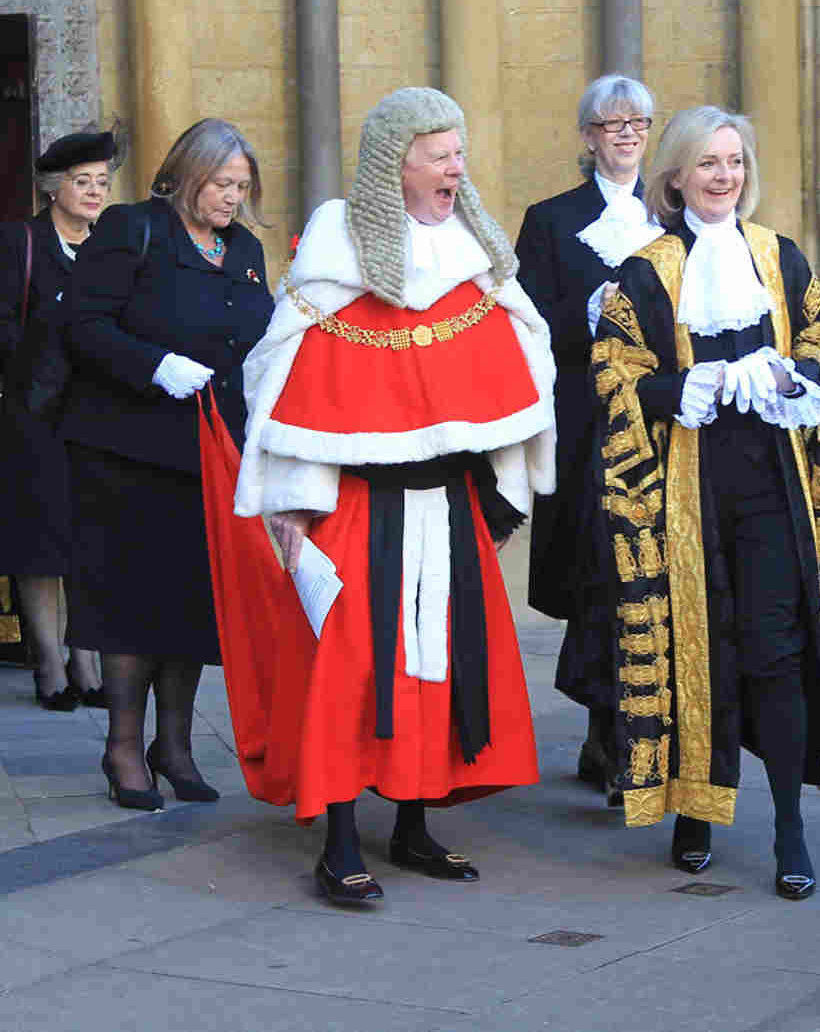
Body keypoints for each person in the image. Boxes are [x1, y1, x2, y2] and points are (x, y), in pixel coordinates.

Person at [231, 87, 554, 906]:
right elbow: (281, 372)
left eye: (459, 152)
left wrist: (502, 485)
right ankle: (339, 843)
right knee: (346, 674)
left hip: (447, 503)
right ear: (395, 162)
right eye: (441, 153)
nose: (457, 167)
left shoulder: (471, 250)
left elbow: (525, 353)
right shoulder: (338, 249)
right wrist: (296, 504)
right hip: (355, 505)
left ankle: (413, 825)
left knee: (437, 671)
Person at [591, 106, 820, 900]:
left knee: (775, 652)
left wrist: (792, 375)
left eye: (735, 161)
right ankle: (695, 812)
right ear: (675, 177)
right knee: (699, 652)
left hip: (773, 488)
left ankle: (788, 826)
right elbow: (612, 372)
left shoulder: (779, 257)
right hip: (689, 491)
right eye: (708, 163)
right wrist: (685, 386)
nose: (724, 176)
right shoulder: (648, 270)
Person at [63, 118, 274, 810]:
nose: (231, 199)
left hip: (208, 457)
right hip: (126, 453)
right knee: (129, 607)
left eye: (241, 187)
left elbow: (258, 341)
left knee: (190, 607)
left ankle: (174, 746)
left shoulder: (242, 249)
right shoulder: (132, 229)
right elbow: (84, 324)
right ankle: (124, 747)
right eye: (220, 184)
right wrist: (154, 365)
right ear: (186, 175)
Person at [516, 74, 661, 805]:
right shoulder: (550, 220)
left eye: (637, 121)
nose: (626, 133)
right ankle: (607, 730)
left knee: (649, 577)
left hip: (661, 421)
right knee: (598, 573)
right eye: (611, 123)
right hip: (584, 423)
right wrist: (586, 313)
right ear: (589, 136)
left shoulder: (672, 217)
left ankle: (634, 734)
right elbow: (526, 321)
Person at [0, 126, 119, 711]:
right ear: (54, 188)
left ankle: (86, 660)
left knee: (86, 541)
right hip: (34, 415)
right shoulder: (19, 243)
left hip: (96, 416)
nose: (94, 192)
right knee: (41, 542)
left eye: (101, 182)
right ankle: (49, 662)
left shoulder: (110, 248)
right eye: (82, 182)